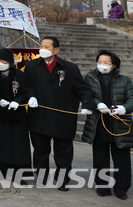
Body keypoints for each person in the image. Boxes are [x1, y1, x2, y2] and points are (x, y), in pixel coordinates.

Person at [25, 36, 95, 190]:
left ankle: (62, 179)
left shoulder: (70, 68)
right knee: (40, 149)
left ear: (56, 50)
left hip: (63, 117)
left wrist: (87, 104)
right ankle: (42, 177)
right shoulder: (31, 66)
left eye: (47, 46)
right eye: (41, 45)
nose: (42, 49)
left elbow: (83, 88)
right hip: (39, 115)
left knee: (63, 151)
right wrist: (31, 96)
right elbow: (26, 85)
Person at [82, 50, 133, 200]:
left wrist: (123, 108)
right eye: (100, 61)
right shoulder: (90, 77)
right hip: (98, 123)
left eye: (106, 62)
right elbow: (86, 95)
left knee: (122, 159)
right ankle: (102, 186)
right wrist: (97, 104)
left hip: (120, 124)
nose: (102, 65)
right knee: (100, 157)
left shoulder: (125, 80)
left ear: (113, 65)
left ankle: (121, 188)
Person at [0, 48, 31, 181]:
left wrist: (17, 101)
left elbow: (25, 91)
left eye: (3, 61)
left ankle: (19, 173)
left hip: (16, 114)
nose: (0, 63)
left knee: (17, 144)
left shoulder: (18, 74)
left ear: (10, 62)